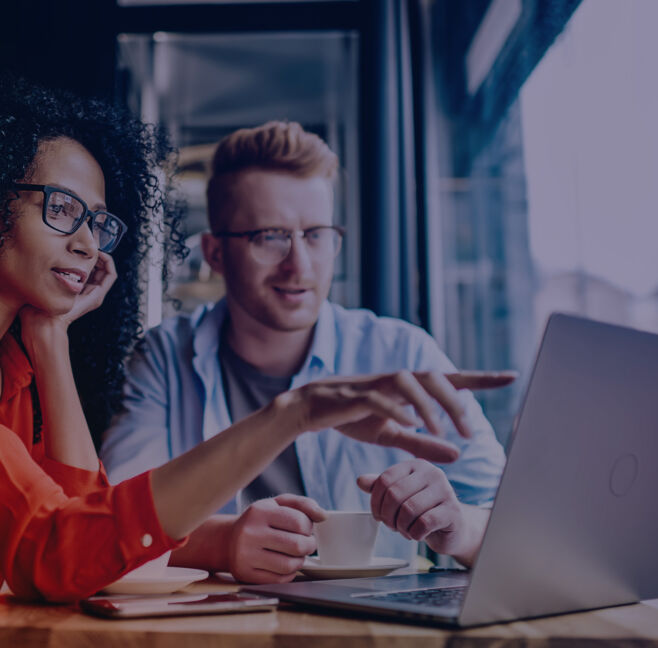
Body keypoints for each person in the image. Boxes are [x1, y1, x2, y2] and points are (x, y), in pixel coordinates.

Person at [0, 83, 511, 647]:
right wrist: (293, 413)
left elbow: (79, 534)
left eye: (99, 222)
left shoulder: (14, 370)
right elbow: (61, 552)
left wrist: (51, 344)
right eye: (62, 210)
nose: (90, 243)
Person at [100, 121, 511, 583]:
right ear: (215, 253)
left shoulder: (402, 352)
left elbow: (516, 522)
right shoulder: (163, 357)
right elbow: (111, 523)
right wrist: (223, 542)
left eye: (316, 234)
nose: (300, 264)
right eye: (270, 236)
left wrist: (457, 527)